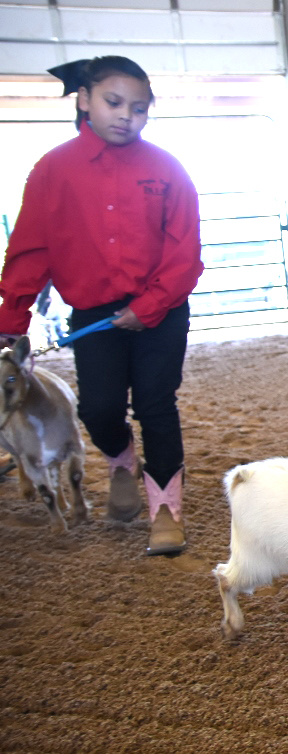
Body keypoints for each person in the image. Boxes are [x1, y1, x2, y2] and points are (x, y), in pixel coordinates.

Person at [0, 56, 204, 555]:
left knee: (157, 405)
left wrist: (152, 304)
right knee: (98, 407)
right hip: (94, 315)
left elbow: (185, 252)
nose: (125, 115)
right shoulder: (53, 171)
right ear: (85, 99)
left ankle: (165, 512)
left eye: (139, 108)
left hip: (162, 311)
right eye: (114, 103)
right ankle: (119, 460)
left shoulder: (166, 169)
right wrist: (10, 320)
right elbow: (31, 250)